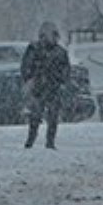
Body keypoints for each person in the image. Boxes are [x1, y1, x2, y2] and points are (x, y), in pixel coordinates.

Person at [20, 21, 70, 149]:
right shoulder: (34, 49)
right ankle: (31, 140)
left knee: (52, 116)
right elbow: (26, 67)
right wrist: (31, 78)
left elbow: (66, 70)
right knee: (36, 115)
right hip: (39, 87)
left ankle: (49, 142)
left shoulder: (60, 52)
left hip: (52, 87)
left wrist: (60, 80)